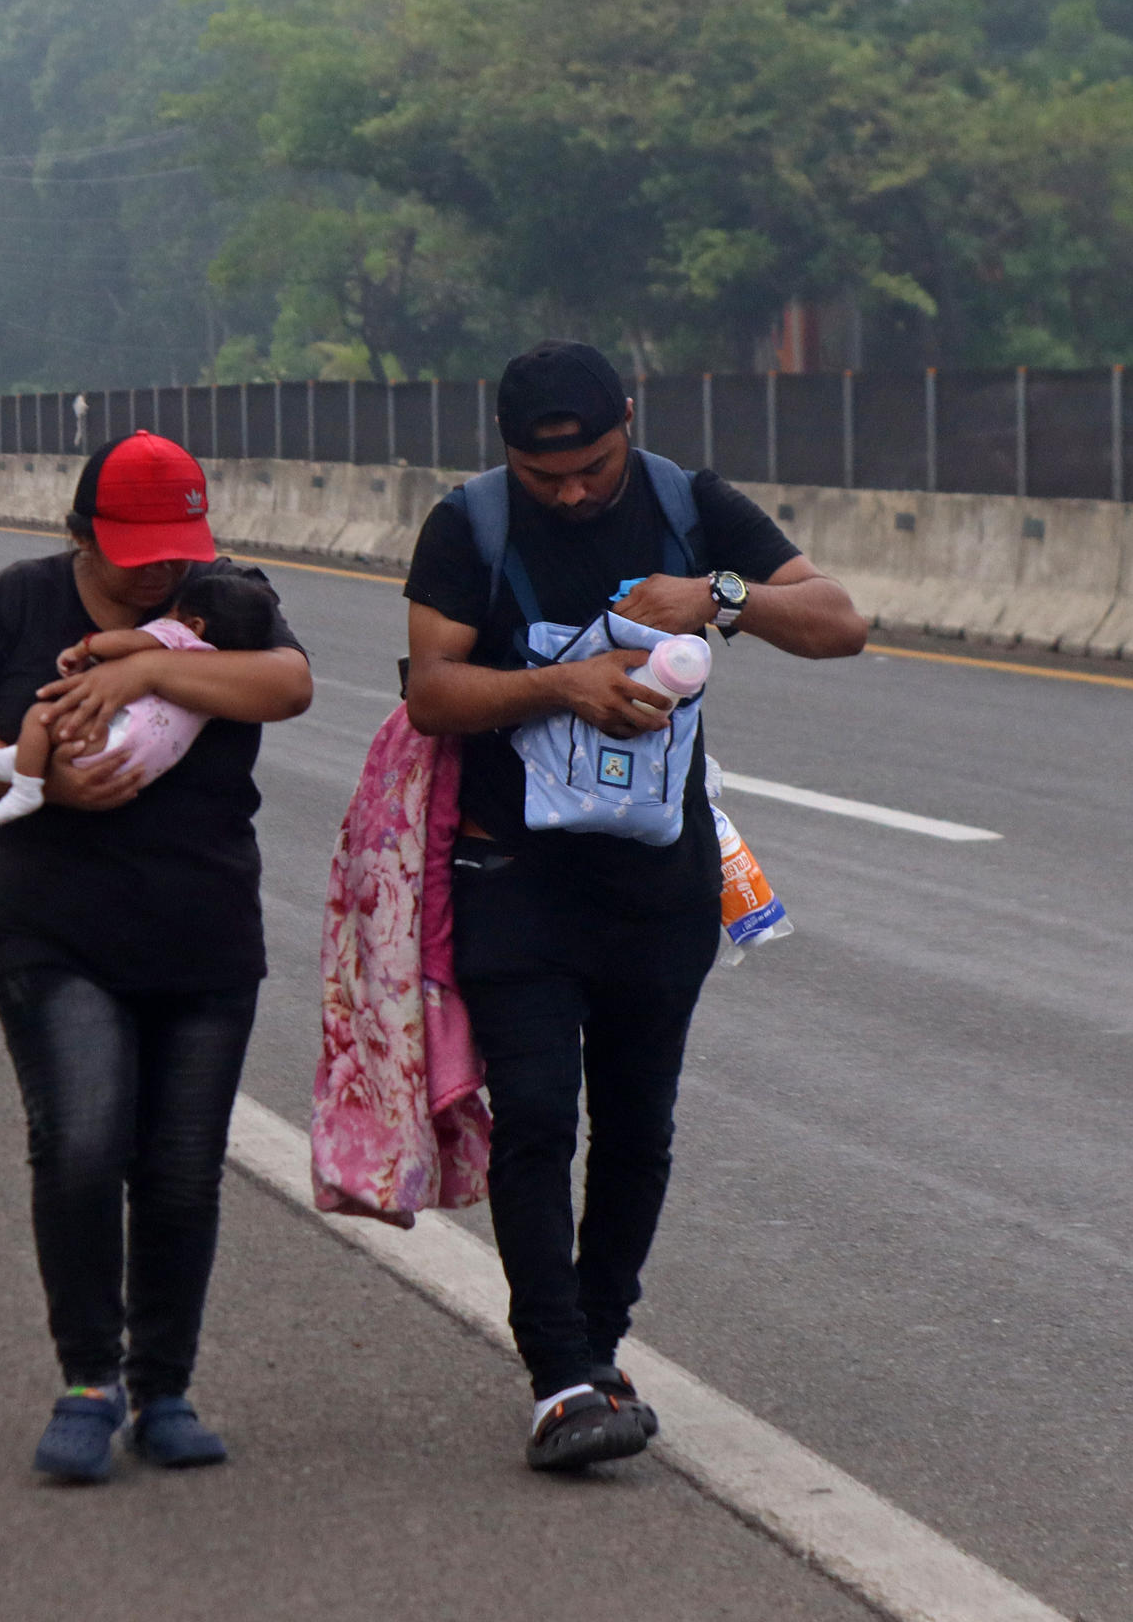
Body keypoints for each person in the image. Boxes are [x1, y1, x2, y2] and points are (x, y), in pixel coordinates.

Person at [403, 341, 867, 1473]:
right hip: (513, 874)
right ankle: (558, 1376)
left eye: (591, 469)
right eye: (541, 474)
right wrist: (559, 684)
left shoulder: (683, 503)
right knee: (537, 1119)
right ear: (505, 454)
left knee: (637, 1129)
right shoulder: (468, 525)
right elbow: (430, 691)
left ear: (627, 425)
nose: (567, 494)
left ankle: (598, 1344)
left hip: (656, 887)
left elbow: (842, 621)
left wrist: (716, 595)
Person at [0, 429, 313, 1482]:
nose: (158, 568)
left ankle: (164, 1388)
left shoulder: (223, 606)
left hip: (203, 932)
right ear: (80, 531)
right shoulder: (19, 602)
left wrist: (145, 662)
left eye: (175, 545)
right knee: (85, 1142)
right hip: (56, 928)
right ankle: (88, 1381)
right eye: (134, 547)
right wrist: (28, 775)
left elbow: (286, 687)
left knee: (180, 1173)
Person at [0, 570, 278, 829]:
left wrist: (87, 646)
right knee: (56, 732)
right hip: (142, 765)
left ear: (195, 624)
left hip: (112, 743)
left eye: (172, 612)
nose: (166, 617)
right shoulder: (225, 670)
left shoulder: (181, 637)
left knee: (42, 717)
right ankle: (19, 761)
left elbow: (126, 642)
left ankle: (25, 787)